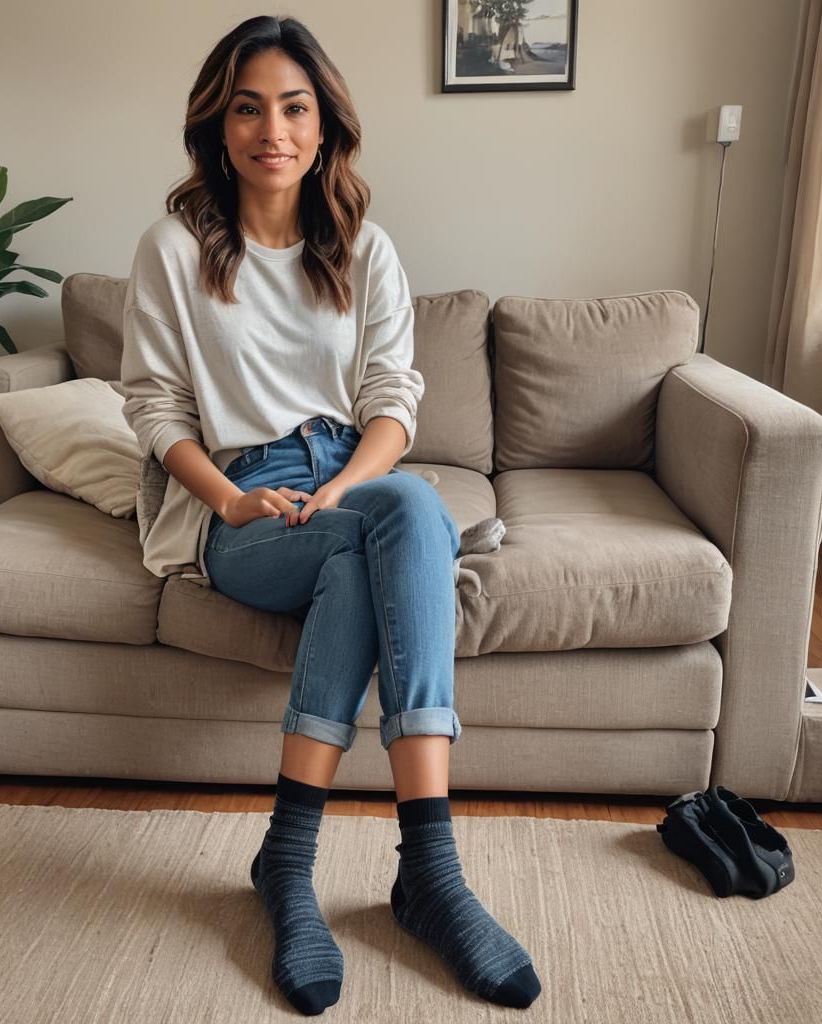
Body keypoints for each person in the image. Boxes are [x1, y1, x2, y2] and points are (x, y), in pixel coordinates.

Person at [119, 14, 542, 1017]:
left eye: (295, 107)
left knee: (385, 528)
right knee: (415, 518)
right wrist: (231, 495)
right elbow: (152, 407)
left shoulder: (363, 246)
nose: (273, 127)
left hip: (347, 484)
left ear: (324, 127)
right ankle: (429, 875)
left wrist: (344, 488)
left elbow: (394, 402)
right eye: (249, 107)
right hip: (241, 501)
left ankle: (292, 857)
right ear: (218, 128)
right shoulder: (174, 248)